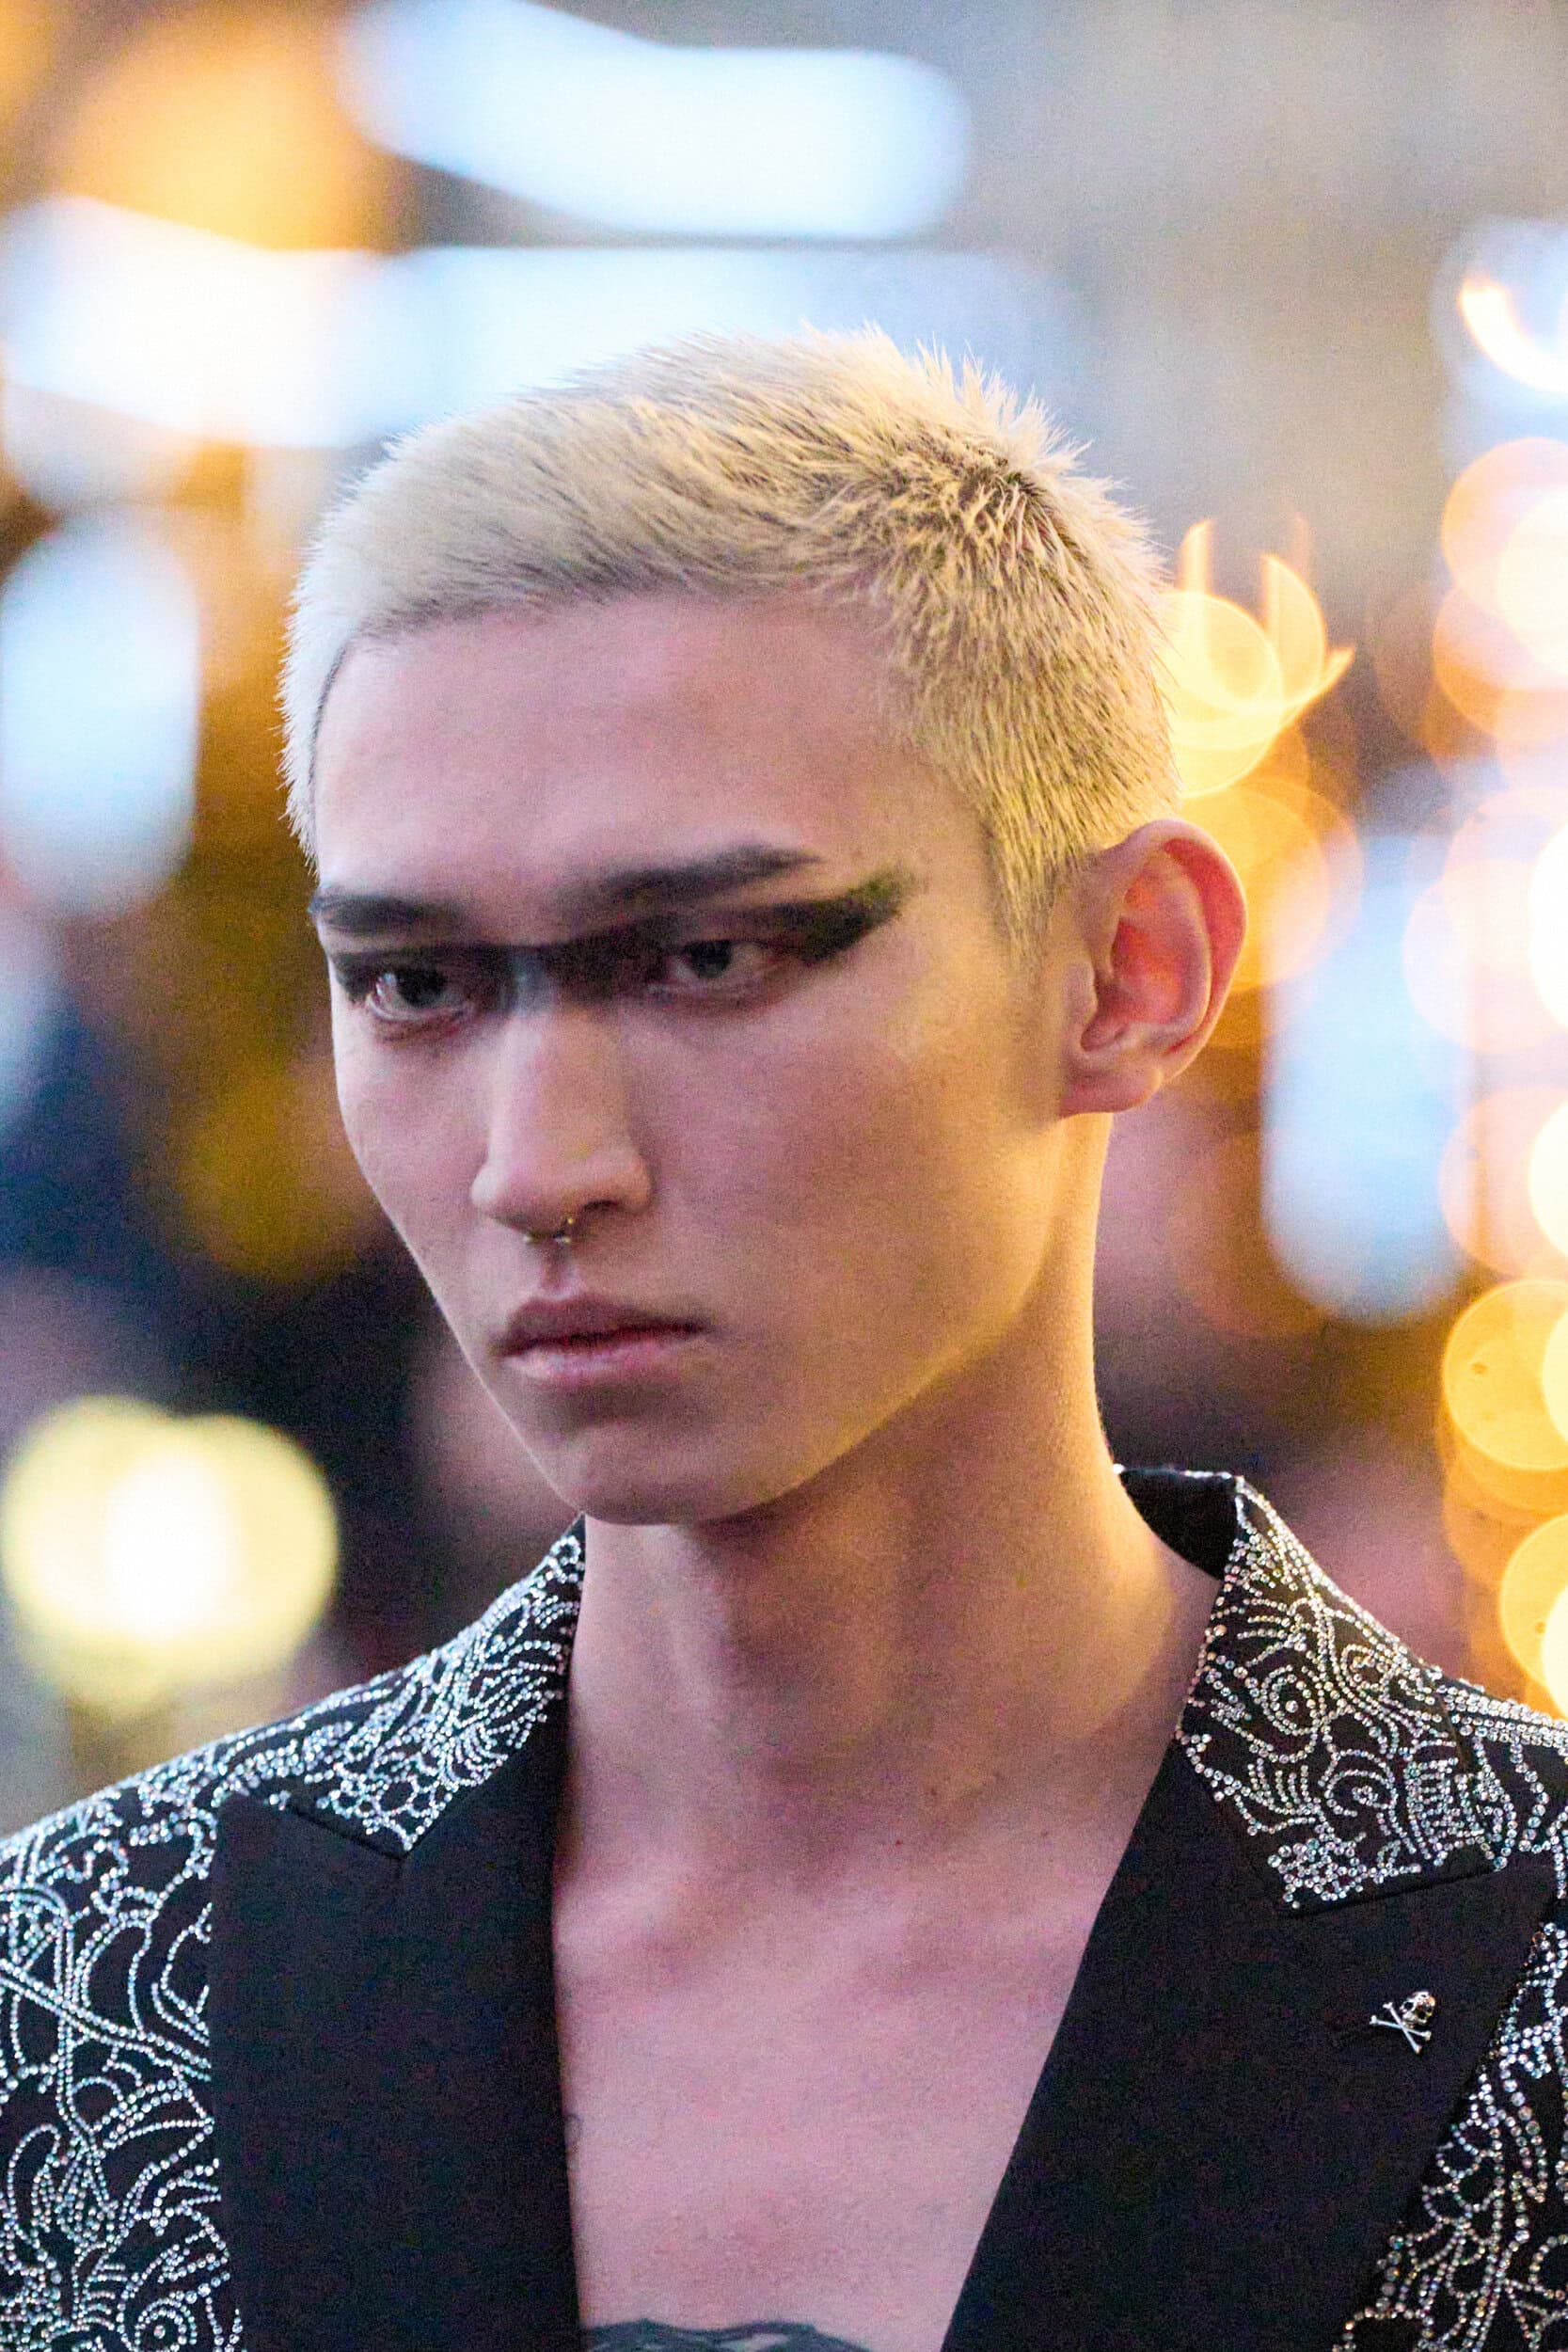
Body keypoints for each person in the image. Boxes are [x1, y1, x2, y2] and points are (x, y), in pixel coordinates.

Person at [1, 331, 1563, 2352]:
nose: (538, 1162)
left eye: (708, 956)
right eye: (415, 984)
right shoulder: (94, 1999)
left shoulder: (1523, 1971)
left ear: (1128, 968)